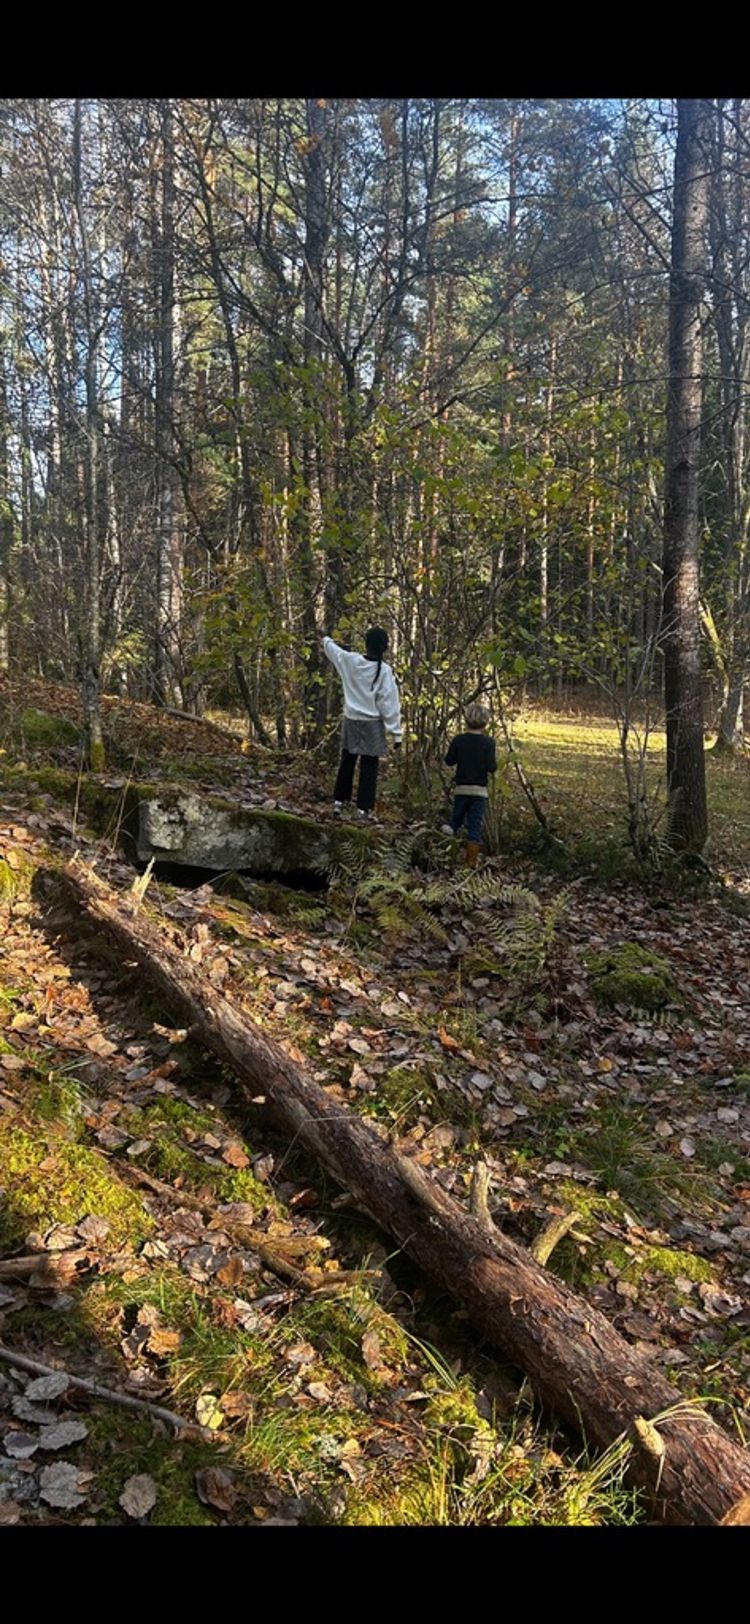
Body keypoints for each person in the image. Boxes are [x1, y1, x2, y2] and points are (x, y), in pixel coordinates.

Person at [323, 627, 402, 820]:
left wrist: (325, 639)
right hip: (373, 724)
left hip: (351, 720)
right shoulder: (384, 671)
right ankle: (363, 809)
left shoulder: (350, 660)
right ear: (385, 648)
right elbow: (389, 702)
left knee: (347, 761)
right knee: (369, 766)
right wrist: (396, 732)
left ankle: (339, 802)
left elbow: (332, 650)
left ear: (365, 643)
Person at [442, 701, 497, 865]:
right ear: (486, 722)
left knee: (456, 819)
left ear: (466, 719)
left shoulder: (459, 740)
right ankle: (470, 861)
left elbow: (449, 761)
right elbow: (491, 767)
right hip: (479, 791)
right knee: (475, 825)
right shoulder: (489, 743)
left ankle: (447, 850)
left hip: (461, 789)